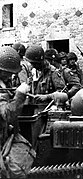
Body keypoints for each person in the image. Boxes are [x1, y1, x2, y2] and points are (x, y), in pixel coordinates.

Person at [0, 46, 35, 178]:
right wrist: (20, 95)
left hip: (5, 134)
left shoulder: (4, 83)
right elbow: (7, 114)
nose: (11, 75)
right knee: (11, 171)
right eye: (8, 72)